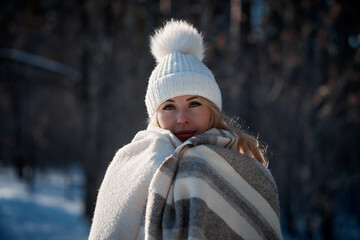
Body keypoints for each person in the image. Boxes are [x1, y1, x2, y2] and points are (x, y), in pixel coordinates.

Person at [89, 19, 282, 240]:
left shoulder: (248, 171)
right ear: (155, 115)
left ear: (213, 109)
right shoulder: (131, 164)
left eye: (194, 104)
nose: (182, 119)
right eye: (169, 107)